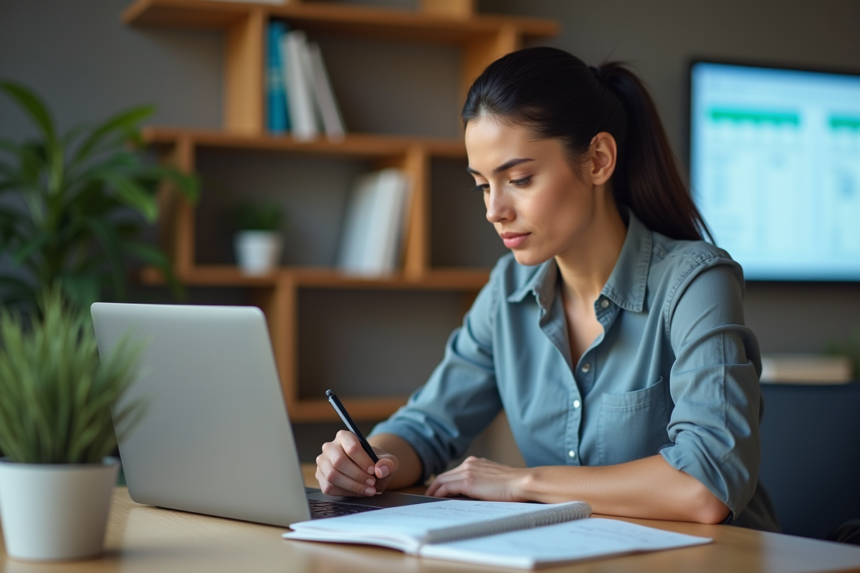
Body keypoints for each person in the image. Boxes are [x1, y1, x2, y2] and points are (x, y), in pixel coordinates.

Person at [315, 46, 779, 531]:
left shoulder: (696, 282)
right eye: (482, 185)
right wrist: (369, 462)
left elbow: (705, 484)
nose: (495, 210)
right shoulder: (508, 289)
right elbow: (427, 427)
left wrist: (523, 484)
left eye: (519, 178)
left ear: (598, 160)